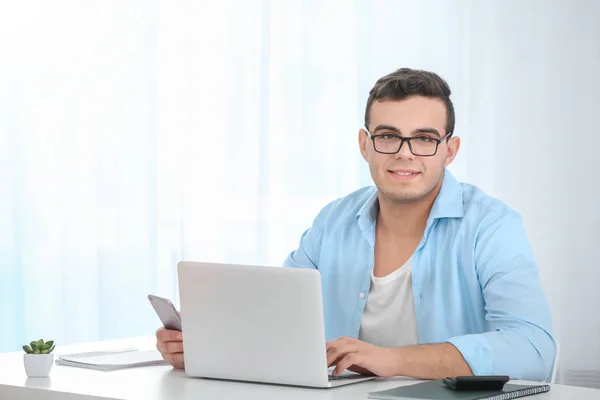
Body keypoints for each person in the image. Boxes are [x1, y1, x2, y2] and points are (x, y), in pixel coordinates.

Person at [156, 67, 556, 382]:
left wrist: (393, 360)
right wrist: (208, 347)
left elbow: (534, 350)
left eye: (424, 139)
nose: (404, 154)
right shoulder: (333, 222)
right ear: (365, 144)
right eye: (388, 136)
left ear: (449, 151)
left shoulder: (492, 227)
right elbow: (276, 323)